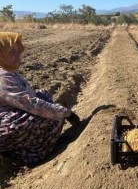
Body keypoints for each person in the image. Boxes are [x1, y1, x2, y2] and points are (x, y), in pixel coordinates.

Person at [0, 32, 80, 164]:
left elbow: (32, 99)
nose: (17, 55)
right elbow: (31, 104)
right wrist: (66, 113)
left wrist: (59, 111)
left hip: (10, 114)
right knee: (45, 116)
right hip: (4, 127)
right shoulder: (3, 77)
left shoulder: (9, 71)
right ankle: (26, 155)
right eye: (11, 52)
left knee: (44, 96)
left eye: (17, 50)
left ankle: (32, 144)